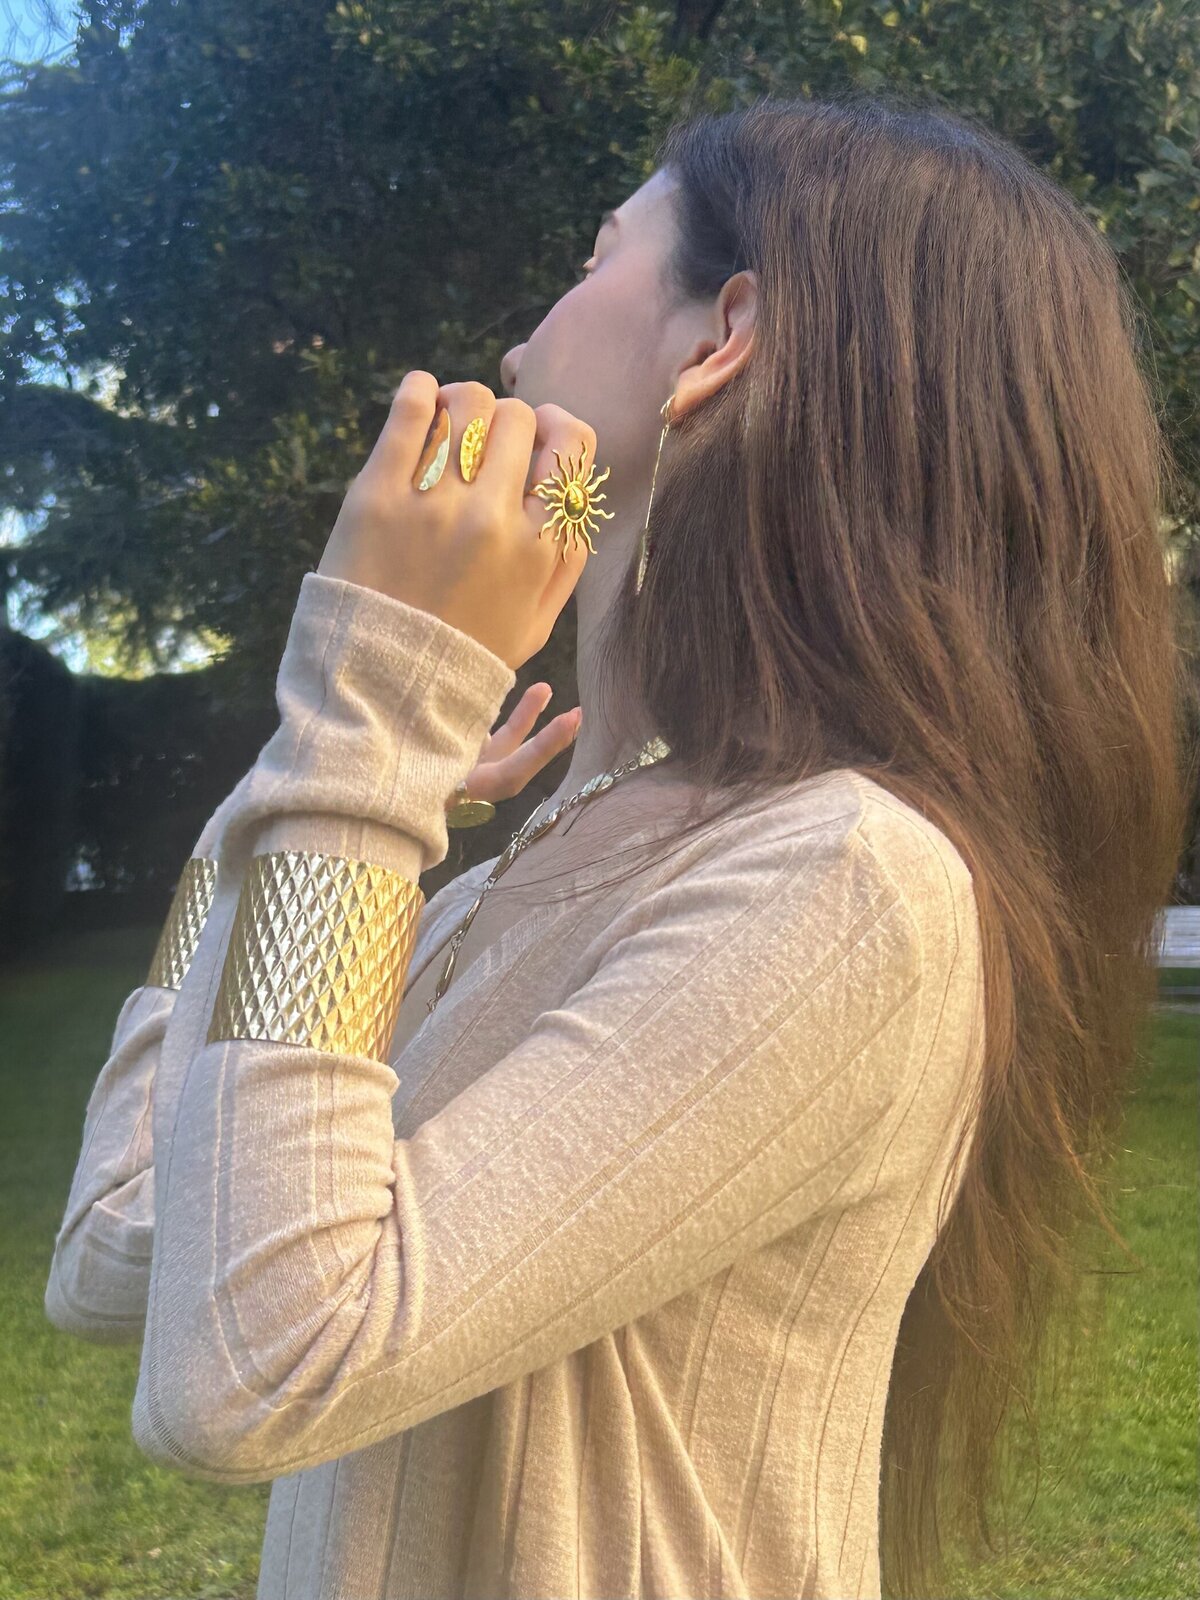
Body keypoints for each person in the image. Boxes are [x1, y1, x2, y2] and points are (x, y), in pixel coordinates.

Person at [45, 90, 1196, 1600]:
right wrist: (293, 792)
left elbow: (253, 1373)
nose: (521, 343)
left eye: (593, 260)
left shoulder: (846, 881)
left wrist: (363, 736)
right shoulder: (499, 874)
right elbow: (118, 1252)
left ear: (724, 336)